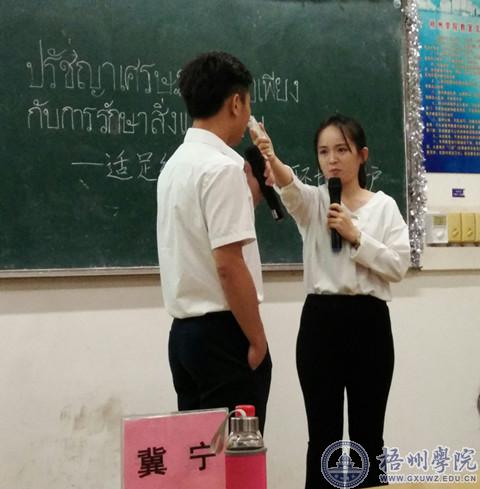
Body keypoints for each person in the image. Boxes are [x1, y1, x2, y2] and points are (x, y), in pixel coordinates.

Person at [254, 114, 410, 488]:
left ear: (362, 155)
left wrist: (356, 236)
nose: (332, 160)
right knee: (323, 437)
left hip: (369, 323)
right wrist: (270, 155)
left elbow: (398, 265)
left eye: (341, 150)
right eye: (324, 152)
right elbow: (289, 184)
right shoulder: (313, 202)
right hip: (320, 324)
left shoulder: (384, 207)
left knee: (368, 436)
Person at [156, 51, 271, 432]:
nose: (248, 114)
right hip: (224, 335)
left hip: (184, 337)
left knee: (199, 455)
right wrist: (257, 340)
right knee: (236, 457)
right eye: (248, 104)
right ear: (236, 103)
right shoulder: (222, 169)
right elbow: (227, 264)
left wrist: (250, 199)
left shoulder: (175, 165)